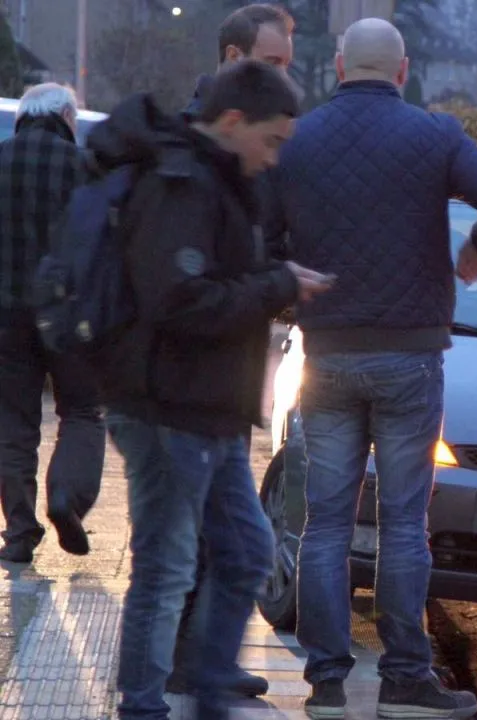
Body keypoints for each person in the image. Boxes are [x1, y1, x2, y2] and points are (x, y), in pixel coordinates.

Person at [261, 17, 477, 720]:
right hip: (411, 356)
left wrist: (290, 277)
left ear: (341, 68)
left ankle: (324, 682)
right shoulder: (434, 136)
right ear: (403, 72)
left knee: (323, 524)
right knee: (404, 525)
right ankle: (407, 677)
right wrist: (475, 250)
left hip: (328, 356)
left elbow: (258, 237)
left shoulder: (300, 138)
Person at [88, 61, 333, 719]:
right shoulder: (181, 185)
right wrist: (276, 284)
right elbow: (181, 302)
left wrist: (275, 279)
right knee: (165, 568)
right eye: (272, 141)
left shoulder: (223, 181)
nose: (275, 156)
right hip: (167, 407)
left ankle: (209, 685)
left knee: (247, 552)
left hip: (210, 412)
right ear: (232, 123)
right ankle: (143, 707)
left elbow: (221, 283)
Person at [167, 2, 296, 699]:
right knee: (199, 542)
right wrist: (277, 278)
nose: (284, 78)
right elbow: (202, 273)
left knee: (223, 541)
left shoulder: (249, 144)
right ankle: (180, 670)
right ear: (230, 59)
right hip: (191, 379)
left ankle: (197, 663)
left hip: (228, 371)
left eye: (287, 64)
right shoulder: (203, 147)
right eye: (270, 63)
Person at [0, 83, 105, 565]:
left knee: (13, 420)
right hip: (70, 314)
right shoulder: (85, 169)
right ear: (66, 116)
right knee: (82, 411)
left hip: (5, 314)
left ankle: (20, 532)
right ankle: (67, 498)